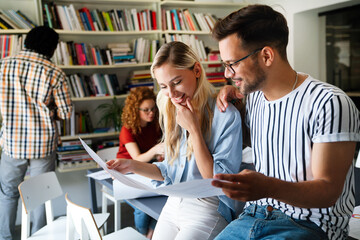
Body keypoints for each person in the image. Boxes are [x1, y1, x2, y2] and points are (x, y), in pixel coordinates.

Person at [211, 4, 360, 240]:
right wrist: (234, 106)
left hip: (310, 224)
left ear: (267, 55)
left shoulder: (329, 103)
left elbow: (328, 191)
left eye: (233, 63)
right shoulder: (254, 99)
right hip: (256, 214)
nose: (227, 73)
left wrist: (267, 187)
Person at [107, 41, 243, 240]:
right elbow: (170, 172)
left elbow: (216, 181)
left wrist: (194, 130)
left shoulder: (225, 114)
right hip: (174, 202)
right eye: (163, 86)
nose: (171, 94)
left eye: (176, 82)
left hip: (207, 206)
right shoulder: (171, 110)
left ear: (197, 70)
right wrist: (131, 165)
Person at [0, 26, 72, 240]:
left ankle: (4, 237)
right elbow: (66, 112)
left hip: (11, 143)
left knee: (8, 193)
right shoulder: (54, 71)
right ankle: (38, 236)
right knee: (40, 195)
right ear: (51, 48)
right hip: (42, 144)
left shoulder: (3, 65)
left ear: (27, 42)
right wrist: (48, 111)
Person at [116, 86, 163, 238]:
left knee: (165, 198)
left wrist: (160, 155)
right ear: (135, 110)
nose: (151, 113)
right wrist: (156, 150)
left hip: (145, 170)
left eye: (153, 108)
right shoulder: (127, 130)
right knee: (142, 207)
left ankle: (150, 233)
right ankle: (142, 235)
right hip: (127, 173)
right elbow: (136, 158)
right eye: (146, 110)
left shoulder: (154, 125)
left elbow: (153, 154)